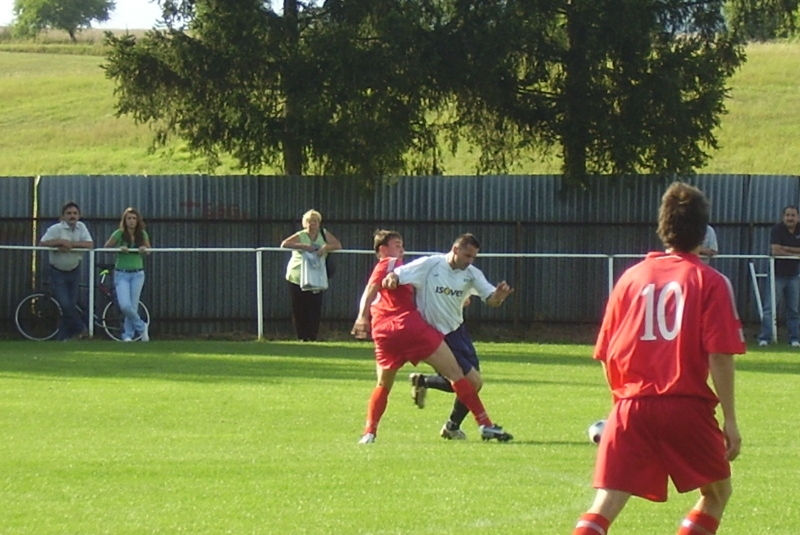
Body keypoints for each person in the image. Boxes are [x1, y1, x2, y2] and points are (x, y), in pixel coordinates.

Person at [571, 182, 746, 535]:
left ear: (662, 225)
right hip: (684, 405)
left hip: (630, 406)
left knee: (606, 502)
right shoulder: (709, 281)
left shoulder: (630, 279)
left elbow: (606, 353)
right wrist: (730, 419)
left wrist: (621, 404)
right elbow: (720, 355)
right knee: (716, 492)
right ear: (703, 230)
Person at [352, 229, 511, 444]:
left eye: (473, 257)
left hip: (450, 331)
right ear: (455, 249)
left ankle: (369, 433)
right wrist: (364, 313)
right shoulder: (407, 264)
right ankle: (483, 425)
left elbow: (489, 299)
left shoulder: (471, 273)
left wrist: (497, 297)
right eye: (397, 244)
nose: (402, 249)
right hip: (423, 331)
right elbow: (387, 280)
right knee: (466, 379)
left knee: (384, 384)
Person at [280, 209, 342, 341]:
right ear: (304, 223)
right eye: (309, 221)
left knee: (314, 306)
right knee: (299, 306)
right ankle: (301, 337)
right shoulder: (300, 235)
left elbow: (337, 245)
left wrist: (325, 247)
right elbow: (284, 244)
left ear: (319, 223)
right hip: (297, 276)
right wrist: (303, 246)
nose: (312, 224)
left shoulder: (324, 234)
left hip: (317, 275)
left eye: (314, 221)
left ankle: (312, 336)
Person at [39, 201, 94, 341]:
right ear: (63, 216)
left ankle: (62, 338)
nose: (72, 216)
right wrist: (59, 242)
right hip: (58, 271)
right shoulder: (55, 229)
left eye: (75, 213)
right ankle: (81, 329)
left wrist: (71, 245)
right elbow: (42, 243)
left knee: (70, 305)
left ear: (79, 215)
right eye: (69, 213)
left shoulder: (82, 227)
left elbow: (89, 244)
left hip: (74, 270)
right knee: (65, 303)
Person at [104, 207, 151, 342]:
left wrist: (144, 249)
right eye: (129, 218)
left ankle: (128, 335)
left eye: (134, 218)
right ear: (124, 220)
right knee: (125, 305)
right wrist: (119, 249)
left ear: (138, 220)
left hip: (137, 274)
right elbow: (106, 248)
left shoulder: (142, 234)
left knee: (133, 305)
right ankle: (142, 326)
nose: (131, 221)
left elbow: (149, 250)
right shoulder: (119, 233)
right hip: (122, 273)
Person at [758, 205, 800, 347]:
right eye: (787, 215)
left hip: (794, 275)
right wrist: (796, 253)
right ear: (783, 217)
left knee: (793, 309)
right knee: (770, 308)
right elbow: (775, 250)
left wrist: (786, 248)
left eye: (793, 215)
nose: (790, 218)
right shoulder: (777, 229)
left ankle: (794, 339)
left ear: (798, 217)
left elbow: (781, 248)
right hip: (776, 274)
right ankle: (765, 338)